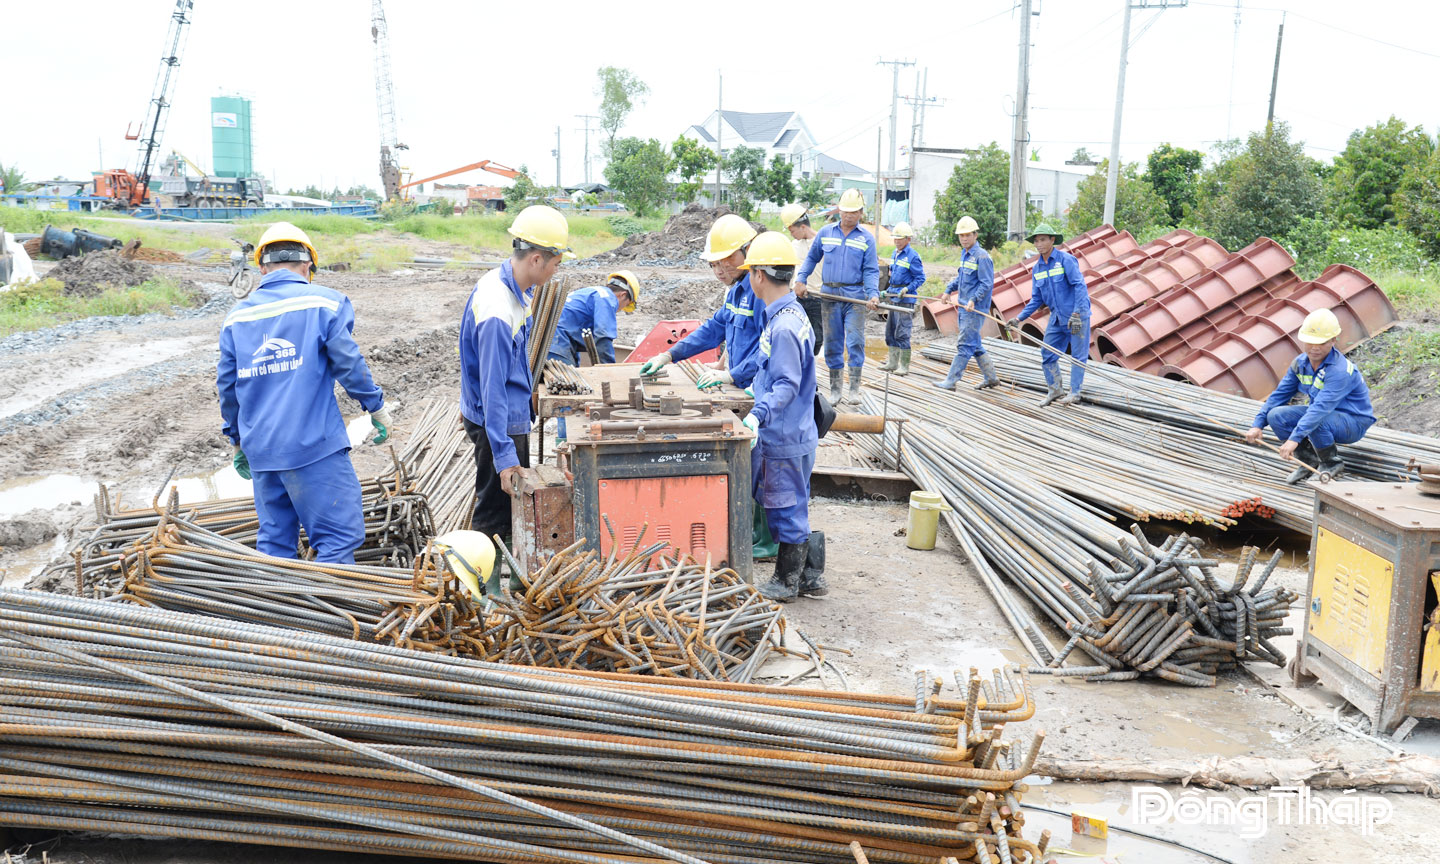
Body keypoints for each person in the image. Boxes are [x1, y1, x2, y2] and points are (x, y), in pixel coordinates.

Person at [218, 222, 390, 564]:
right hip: (313, 448)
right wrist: (376, 407)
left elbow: (228, 387)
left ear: (262, 267)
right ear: (307, 264)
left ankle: (280, 615)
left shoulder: (236, 319)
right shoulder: (325, 303)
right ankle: (333, 616)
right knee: (338, 539)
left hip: (263, 451)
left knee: (275, 547)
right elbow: (349, 364)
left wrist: (238, 441)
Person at [460, 205, 571, 562]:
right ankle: (484, 590)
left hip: (507, 418)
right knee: (494, 512)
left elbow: (508, 366)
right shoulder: (497, 307)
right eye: (555, 263)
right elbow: (492, 388)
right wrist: (505, 456)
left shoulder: (509, 288)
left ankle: (498, 576)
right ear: (537, 259)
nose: (556, 271)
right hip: (499, 425)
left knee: (504, 510)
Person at [739, 232, 826, 602]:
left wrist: (758, 413)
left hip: (785, 435)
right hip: (793, 431)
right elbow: (772, 371)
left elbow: (787, 383)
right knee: (792, 502)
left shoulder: (786, 325)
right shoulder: (788, 315)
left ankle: (786, 581)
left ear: (759, 275)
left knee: (785, 506)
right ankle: (810, 576)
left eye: (749, 273)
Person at [1245, 308, 1375, 482]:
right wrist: (1258, 424)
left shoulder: (1340, 371)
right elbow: (1279, 395)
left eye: (1321, 343)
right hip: (1325, 415)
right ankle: (1308, 459)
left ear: (1333, 340)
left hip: (1352, 422)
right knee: (1276, 415)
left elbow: (1320, 409)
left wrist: (1294, 439)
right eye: (1310, 341)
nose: (1314, 348)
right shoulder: (1300, 364)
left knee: (1317, 419)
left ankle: (1331, 463)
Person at [638, 214, 761, 391]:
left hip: (757, 390)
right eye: (715, 264)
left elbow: (771, 351)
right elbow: (712, 330)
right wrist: (669, 354)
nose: (722, 268)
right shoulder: (736, 292)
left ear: (748, 250)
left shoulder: (761, 293)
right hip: (742, 384)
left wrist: (731, 375)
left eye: (728, 258)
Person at [795, 188, 880, 404]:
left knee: (855, 341)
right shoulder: (825, 233)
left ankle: (853, 389)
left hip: (854, 297)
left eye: (853, 212)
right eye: (845, 211)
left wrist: (873, 294)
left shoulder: (866, 239)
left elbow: (871, 270)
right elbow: (811, 258)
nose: (848, 215)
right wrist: (801, 279)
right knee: (832, 343)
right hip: (830, 295)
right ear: (839, 211)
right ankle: (835, 390)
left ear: (861, 212)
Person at [546, 270, 640, 442]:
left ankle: (565, 439)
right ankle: (566, 441)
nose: (618, 311)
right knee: (568, 394)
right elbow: (603, 338)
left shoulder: (592, 293)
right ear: (623, 295)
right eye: (623, 306)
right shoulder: (606, 298)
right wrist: (609, 372)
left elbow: (586, 335)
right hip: (558, 341)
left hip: (559, 340)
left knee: (570, 389)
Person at [1006, 222, 1091, 406]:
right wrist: (1018, 318)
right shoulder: (1037, 269)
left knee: (1078, 356)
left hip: (1077, 316)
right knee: (1047, 353)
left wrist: (1077, 313)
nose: (1039, 244)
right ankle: (1055, 389)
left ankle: (1075, 393)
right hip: (1057, 318)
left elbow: (1080, 286)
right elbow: (1036, 300)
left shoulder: (1065, 260)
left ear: (1053, 240)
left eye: (1043, 240)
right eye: (1036, 241)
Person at [934, 216, 998, 390]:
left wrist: (973, 299)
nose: (964, 239)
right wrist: (948, 290)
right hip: (964, 307)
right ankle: (991, 377)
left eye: (967, 235)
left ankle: (951, 381)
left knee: (964, 344)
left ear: (975, 235)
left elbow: (986, 283)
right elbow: (961, 278)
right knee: (974, 344)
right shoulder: (965, 255)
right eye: (961, 236)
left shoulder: (982, 257)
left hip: (974, 309)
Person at [781, 203, 824, 356]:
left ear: (803, 227)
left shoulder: (822, 242)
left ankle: (808, 364)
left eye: (792, 230)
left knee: (817, 338)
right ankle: (798, 366)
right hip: (796, 297)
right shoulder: (793, 246)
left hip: (817, 297)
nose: (792, 234)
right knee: (796, 335)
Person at [881, 222, 925, 375]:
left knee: (902, 332)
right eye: (895, 238)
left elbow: (920, 278)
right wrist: (886, 291)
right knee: (890, 331)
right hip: (894, 297)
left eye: (900, 239)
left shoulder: (913, 256)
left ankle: (904, 366)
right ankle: (892, 362)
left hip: (906, 300)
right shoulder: (895, 253)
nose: (897, 241)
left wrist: (907, 289)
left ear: (908, 239)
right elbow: (893, 277)